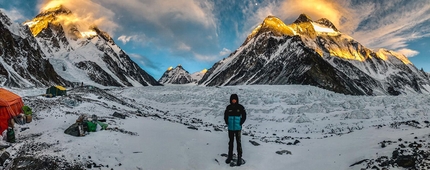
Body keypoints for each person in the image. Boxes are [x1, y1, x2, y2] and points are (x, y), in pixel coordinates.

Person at [224, 94, 246, 166]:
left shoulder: (240, 107)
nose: (234, 100)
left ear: (237, 100)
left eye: (235, 99)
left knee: (238, 143)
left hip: (238, 128)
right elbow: (225, 115)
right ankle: (230, 156)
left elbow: (244, 115)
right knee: (230, 142)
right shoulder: (228, 107)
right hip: (230, 128)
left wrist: (241, 122)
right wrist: (227, 122)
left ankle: (239, 157)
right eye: (232, 99)